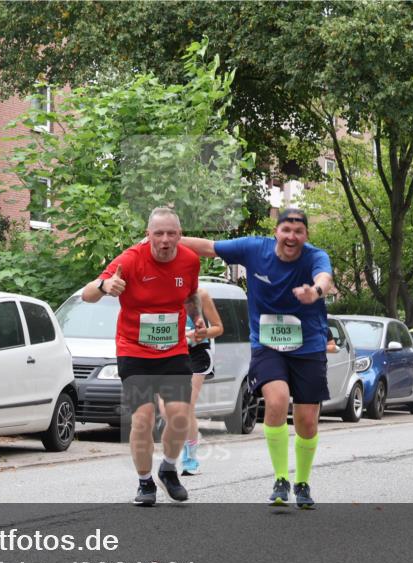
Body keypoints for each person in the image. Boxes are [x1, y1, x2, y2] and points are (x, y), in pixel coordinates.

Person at [180, 208, 333, 509]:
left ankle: (302, 482)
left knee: (306, 420)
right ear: (276, 231)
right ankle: (280, 479)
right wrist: (169, 239)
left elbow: (324, 278)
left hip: (308, 346)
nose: (291, 236)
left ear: (305, 236)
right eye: (286, 230)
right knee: (276, 401)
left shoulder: (315, 256)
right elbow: (209, 248)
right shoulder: (254, 248)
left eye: (298, 232)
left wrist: (315, 292)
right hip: (267, 343)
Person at [81, 207, 204, 506]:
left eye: (171, 234)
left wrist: (197, 318)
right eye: (158, 233)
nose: (165, 240)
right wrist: (105, 285)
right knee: (143, 418)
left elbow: (190, 295)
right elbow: (87, 294)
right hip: (134, 351)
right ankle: (145, 482)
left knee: (178, 416)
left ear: (179, 234)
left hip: (173, 350)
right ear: (148, 234)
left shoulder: (189, 261)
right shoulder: (130, 260)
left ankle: (169, 469)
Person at [179, 287, 224, 475]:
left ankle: (190, 458)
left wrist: (202, 333)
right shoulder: (163, 289)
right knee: (166, 410)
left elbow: (218, 328)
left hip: (197, 353)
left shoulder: (201, 294)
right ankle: (188, 439)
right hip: (171, 352)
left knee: (186, 406)